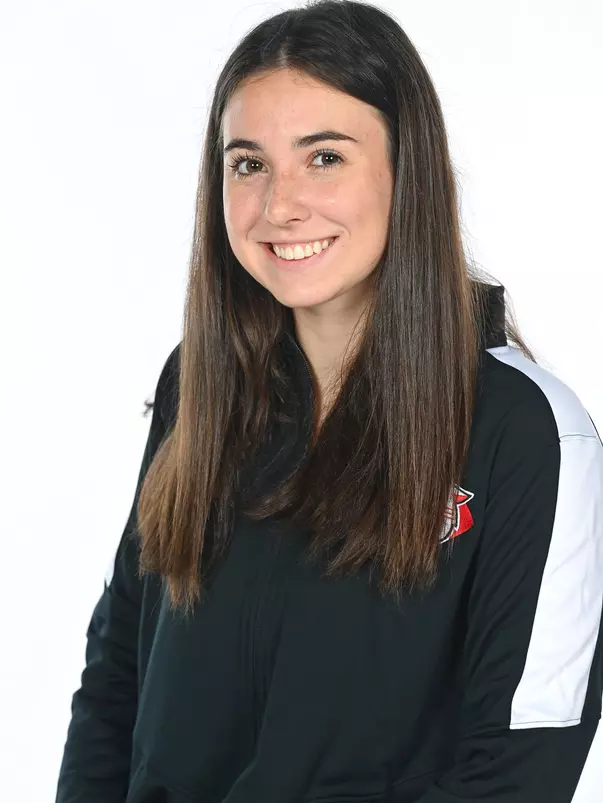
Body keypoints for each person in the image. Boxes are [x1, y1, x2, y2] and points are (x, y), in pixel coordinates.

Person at [55, 1, 603, 801]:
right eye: (248, 164)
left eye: (323, 158)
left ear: (406, 168)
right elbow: (115, 682)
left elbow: (519, 766)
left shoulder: (526, 432)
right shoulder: (199, 385)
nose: (279, 205)